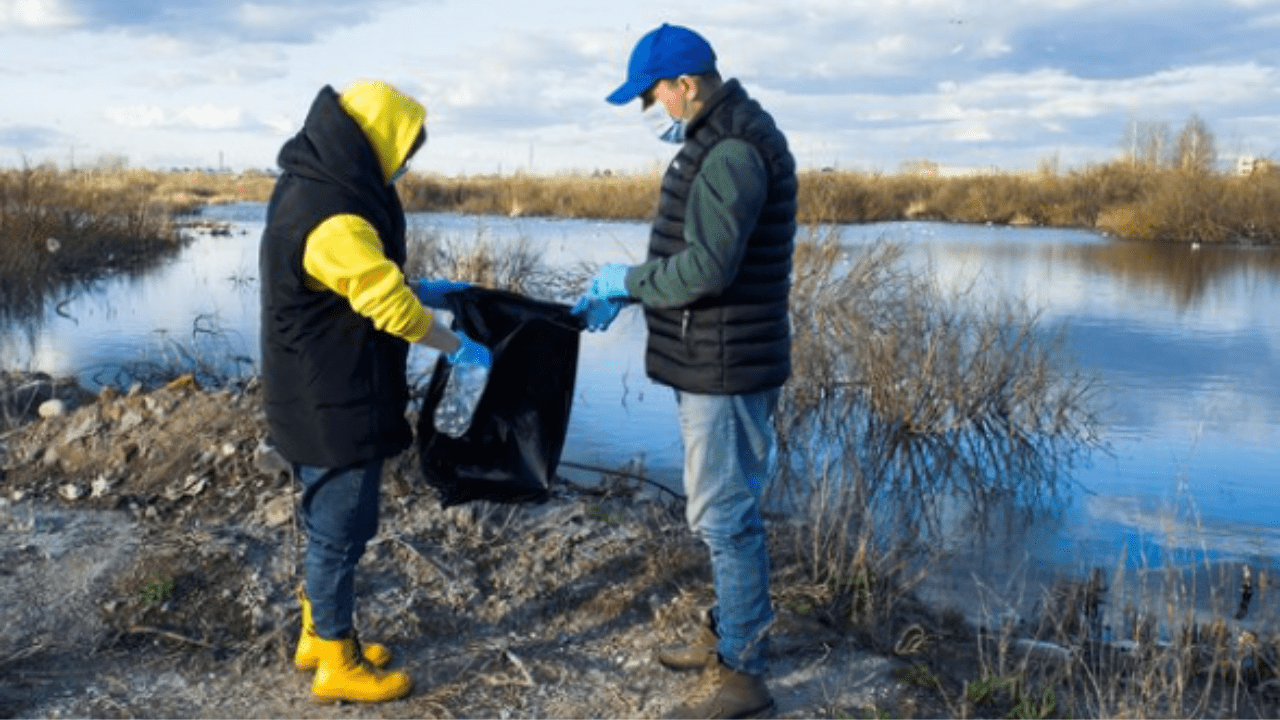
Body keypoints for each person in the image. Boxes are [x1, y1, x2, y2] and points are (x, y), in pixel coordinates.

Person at [574, 22, 797, 720]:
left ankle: (744, 674)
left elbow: (706, 269)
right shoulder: (723, 136)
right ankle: (726, 636)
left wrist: (629, 282)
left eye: (655, 95)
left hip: (725, 364)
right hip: (715, 355)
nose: (655, 109)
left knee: (725, 516)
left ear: (688, 85)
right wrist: (630, 289)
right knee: (720, 508)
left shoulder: (730, 150)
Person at [259, 80, 490, 704]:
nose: (407, 163)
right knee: (341, 528)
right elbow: (383, 303)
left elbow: (365, 275)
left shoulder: (317, 186)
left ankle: (317, 633)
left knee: (324, 519)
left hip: (313, 388)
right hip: (334, 398)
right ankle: (337, 660)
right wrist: (454, 345)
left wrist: (429, 287)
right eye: (404, 148)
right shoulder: (332, 213)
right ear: (377, 140)